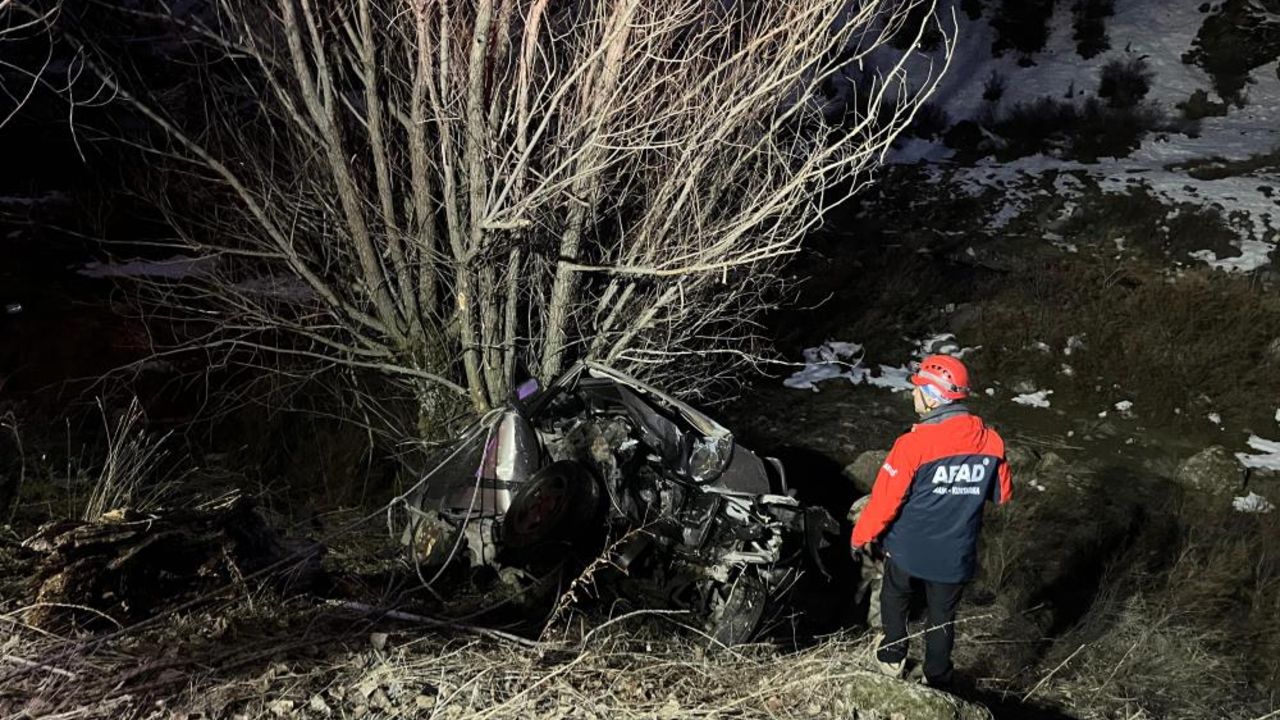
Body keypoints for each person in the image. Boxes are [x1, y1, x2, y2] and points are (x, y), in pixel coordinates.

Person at [850, 354, 1012, 687]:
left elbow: (884, 502)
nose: (912, 393)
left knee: (894, 599)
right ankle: (937, 676)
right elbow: (1002, 494)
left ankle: (891, 659)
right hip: (955, 553)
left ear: (934, 395)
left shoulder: (914, 444)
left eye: (918, 387)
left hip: (908, 550)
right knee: (942, 617)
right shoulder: (992, 442)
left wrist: (861, 535)